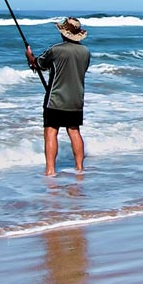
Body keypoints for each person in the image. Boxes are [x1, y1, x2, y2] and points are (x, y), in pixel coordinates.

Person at [27, 17, 91, 176]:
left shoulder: (56, 49)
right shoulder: (85, 52)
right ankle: (80, 168)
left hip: (55, 99)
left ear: (64, 33)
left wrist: (29, 56)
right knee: (74, 131)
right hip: (76, 99)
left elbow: (39, 64)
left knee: (51, 131)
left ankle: (50, 170)